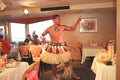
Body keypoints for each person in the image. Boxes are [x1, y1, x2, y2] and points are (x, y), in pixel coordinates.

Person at [40, 15, 81, 80]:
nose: (60, 20)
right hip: (52, 47)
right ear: (53, 20)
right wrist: (43, 38)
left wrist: (78, 22)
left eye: (60, 19)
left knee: (67, 62)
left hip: (61, 47)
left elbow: (72, 28)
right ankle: (54, 77)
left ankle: (72, 74)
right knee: (53, 64)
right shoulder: (49, 28)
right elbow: (41, 35)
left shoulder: (62, 27)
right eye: (58, 19)